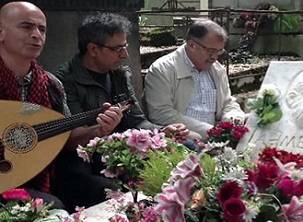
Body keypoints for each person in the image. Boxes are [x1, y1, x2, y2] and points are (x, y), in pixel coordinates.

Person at [54, 13, 190, 210]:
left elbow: (137, 120)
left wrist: (162, 130)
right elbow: (70, 139)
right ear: (93, 49)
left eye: (125, 46)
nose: (125, 54)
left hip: (120, 154)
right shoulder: (64, 80)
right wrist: (98, 131)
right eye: (118, 48)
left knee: (181, 158)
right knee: (116, 191)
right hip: (82, 163)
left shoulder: (119, 75)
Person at [0, 1, 117, 209]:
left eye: (42, 29)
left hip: (43, 169)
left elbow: (66, 139)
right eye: (26, 27)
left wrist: (98, 129)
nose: (37, 34)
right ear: (1, 33)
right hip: (6, 177)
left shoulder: (51, 85)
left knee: (107, 191)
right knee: (53, 206)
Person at [143, 19, 245, 140]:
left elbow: (227, 103)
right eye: (211, 51)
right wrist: (211, 131)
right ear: (192, 45)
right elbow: (161, 114)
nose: (214, 57)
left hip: (215, 139)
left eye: (219, 51)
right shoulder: (162, 69)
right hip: (181, 141)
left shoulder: (217, 69)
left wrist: (232, 120)